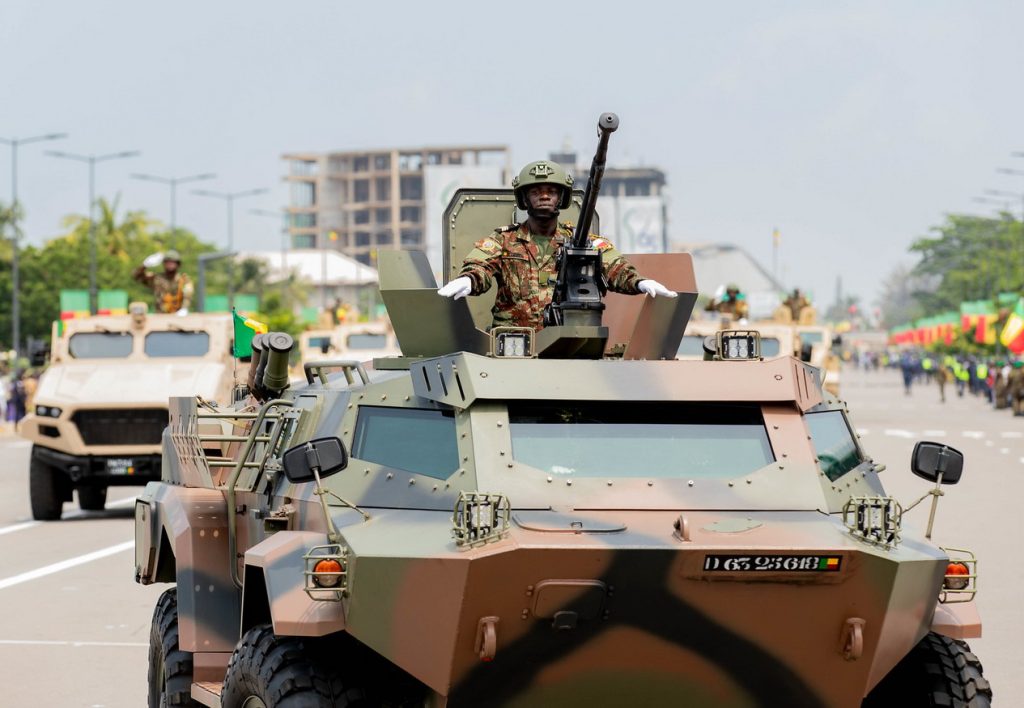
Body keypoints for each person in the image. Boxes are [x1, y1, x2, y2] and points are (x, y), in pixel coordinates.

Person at [437, 160, 674, 329]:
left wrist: (639, 282)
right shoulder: (504, 240)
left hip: (567, 340)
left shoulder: (582, 242)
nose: (544, 196)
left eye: (551, 191)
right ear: (524, 198)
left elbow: (615, 268)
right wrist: (469, 279)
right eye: (536, 191)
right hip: (515, 344)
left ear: (561, 198)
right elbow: (481, 265)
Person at [132, 250, 193, 314]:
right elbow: (137, 276)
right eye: (167, 262)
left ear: (178, 264)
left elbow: (188, 296)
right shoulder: (157, 279)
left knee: (188, 289)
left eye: (172, 262)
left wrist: (184, 309)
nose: (170, 264)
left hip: (178, 315)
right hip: (160, 315)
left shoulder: (184, 280)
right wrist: (144, 265)